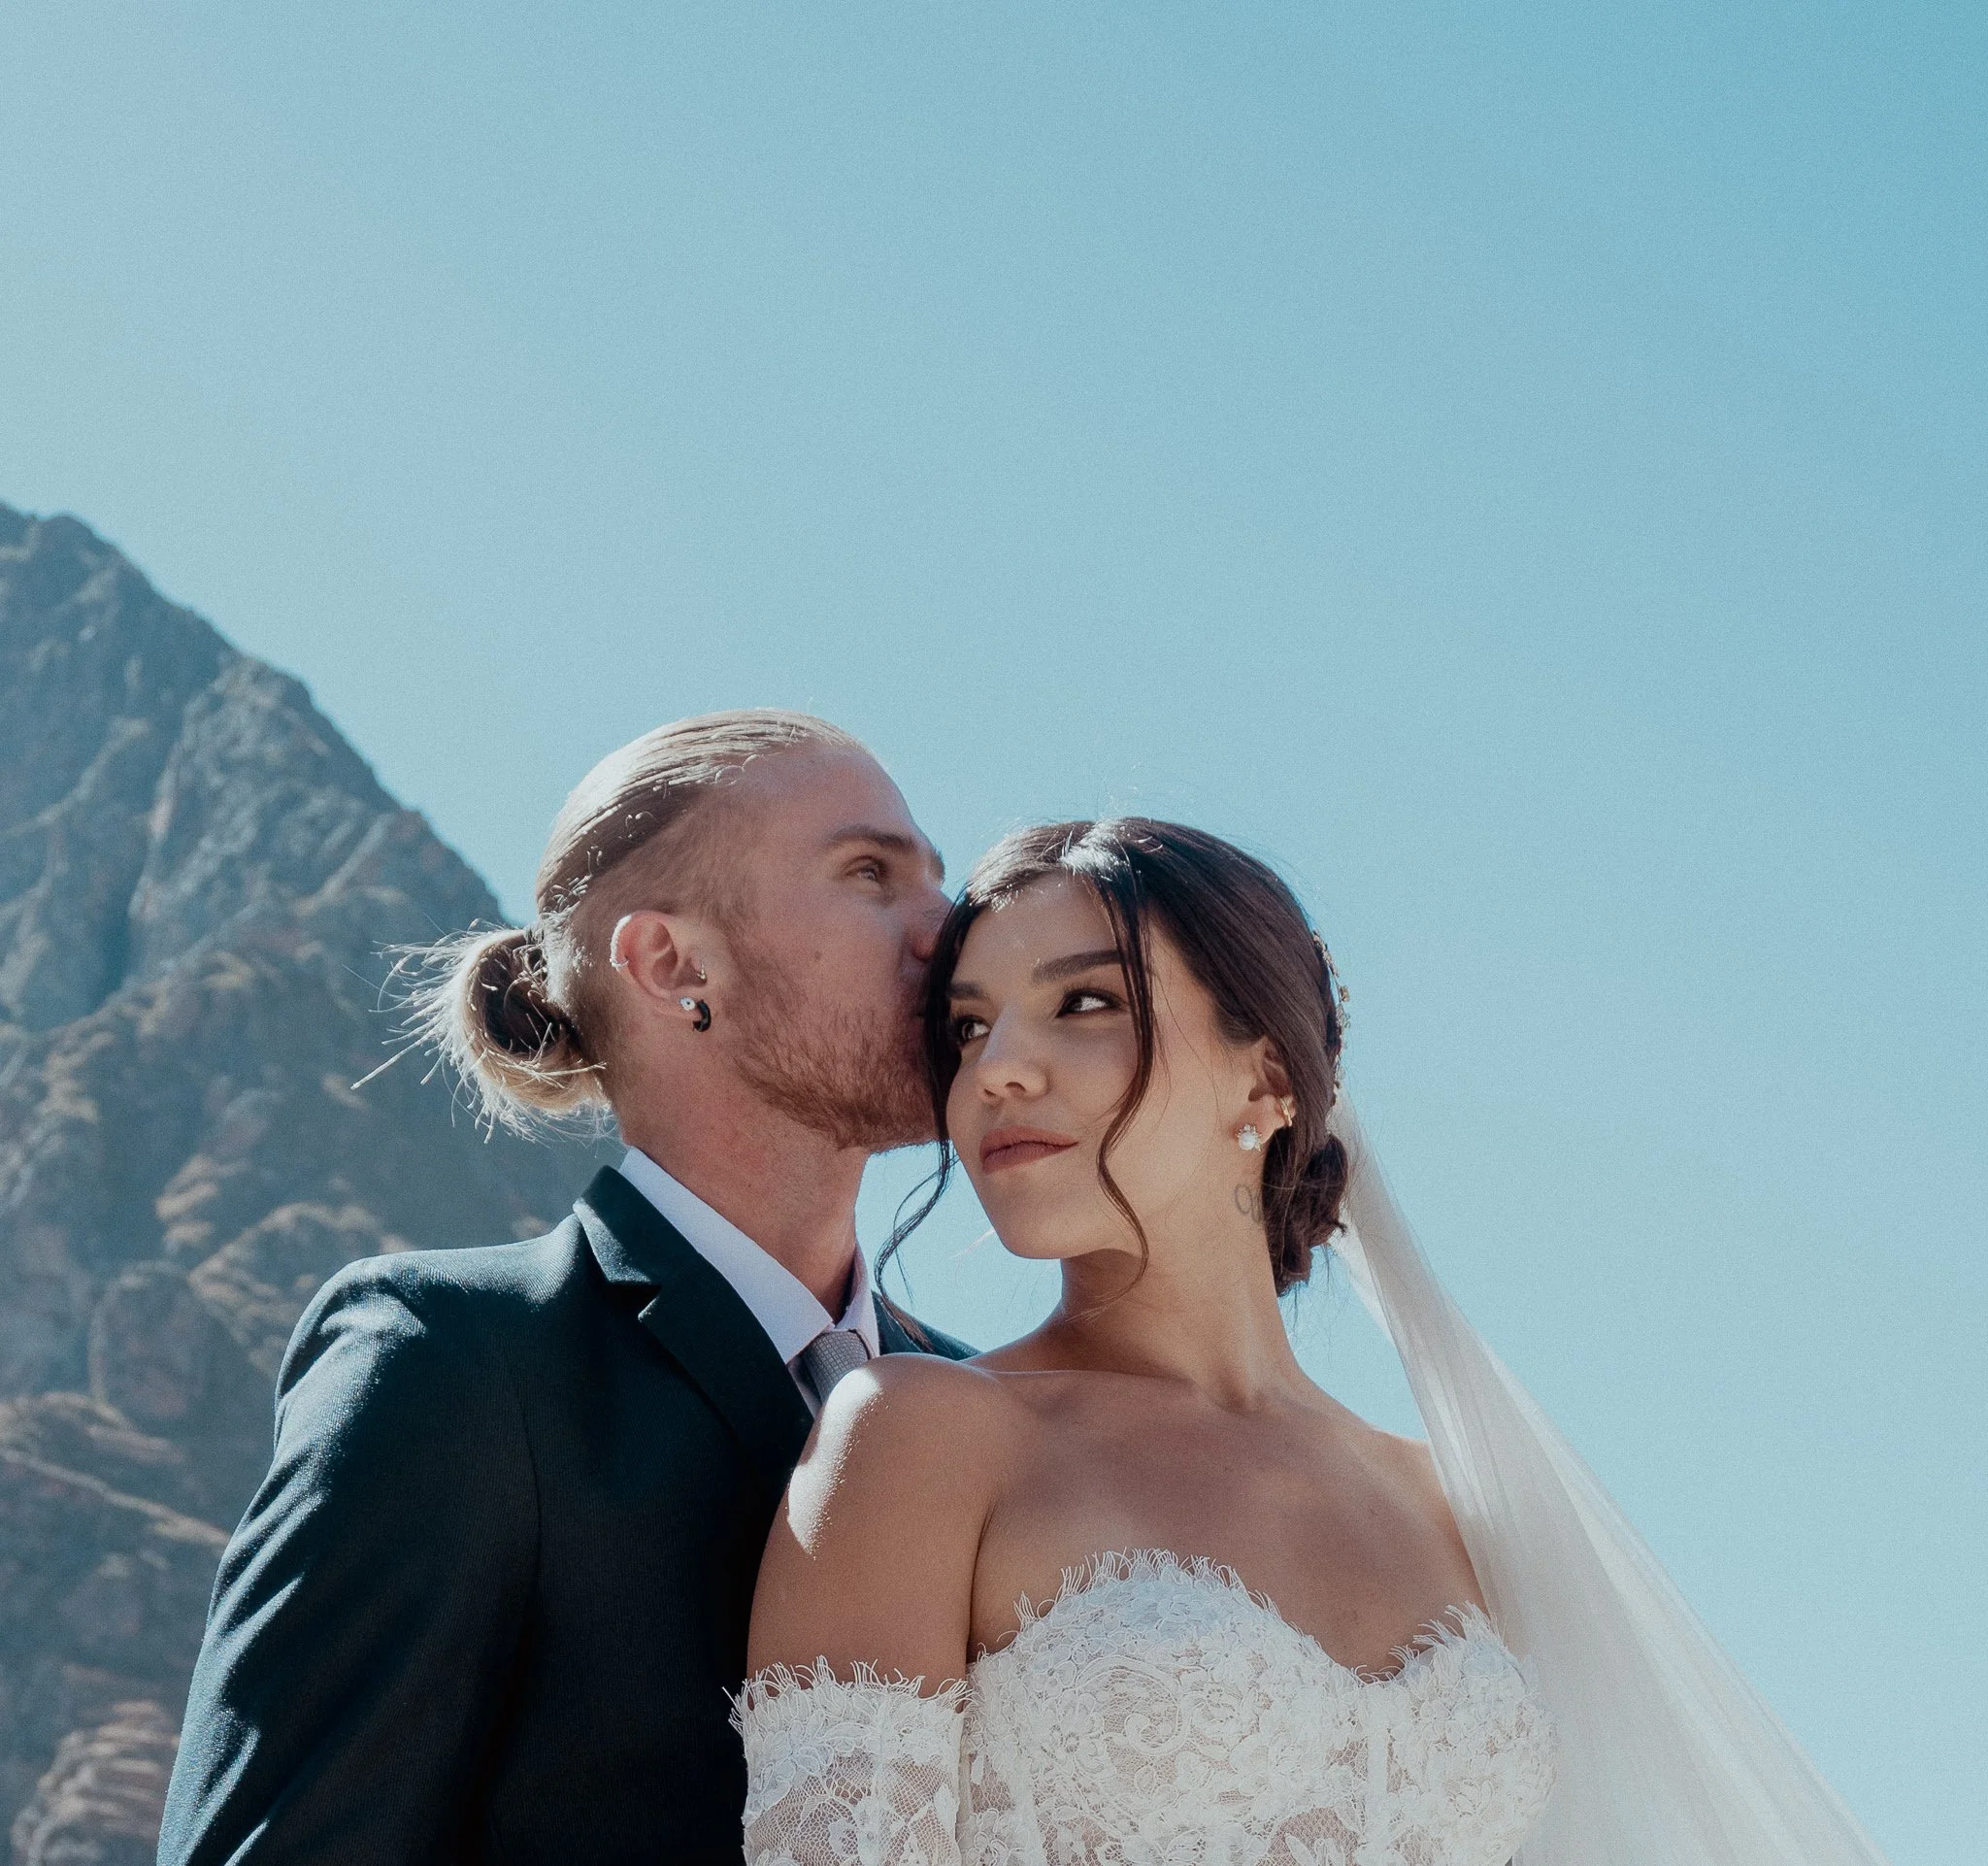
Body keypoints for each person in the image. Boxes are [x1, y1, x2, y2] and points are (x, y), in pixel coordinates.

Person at [737, 818, 1894, 1866]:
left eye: (1084, 1002)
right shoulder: (918, 1438)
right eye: (967, 1028)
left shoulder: (1453, 1501)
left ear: (1270, 1074)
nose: (996, 1071)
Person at [158, 710, 972, 1866]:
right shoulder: (450, 1362)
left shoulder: (993, 1406)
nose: (950, 927)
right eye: (870, 872)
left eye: (936, 875)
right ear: (671, 963)